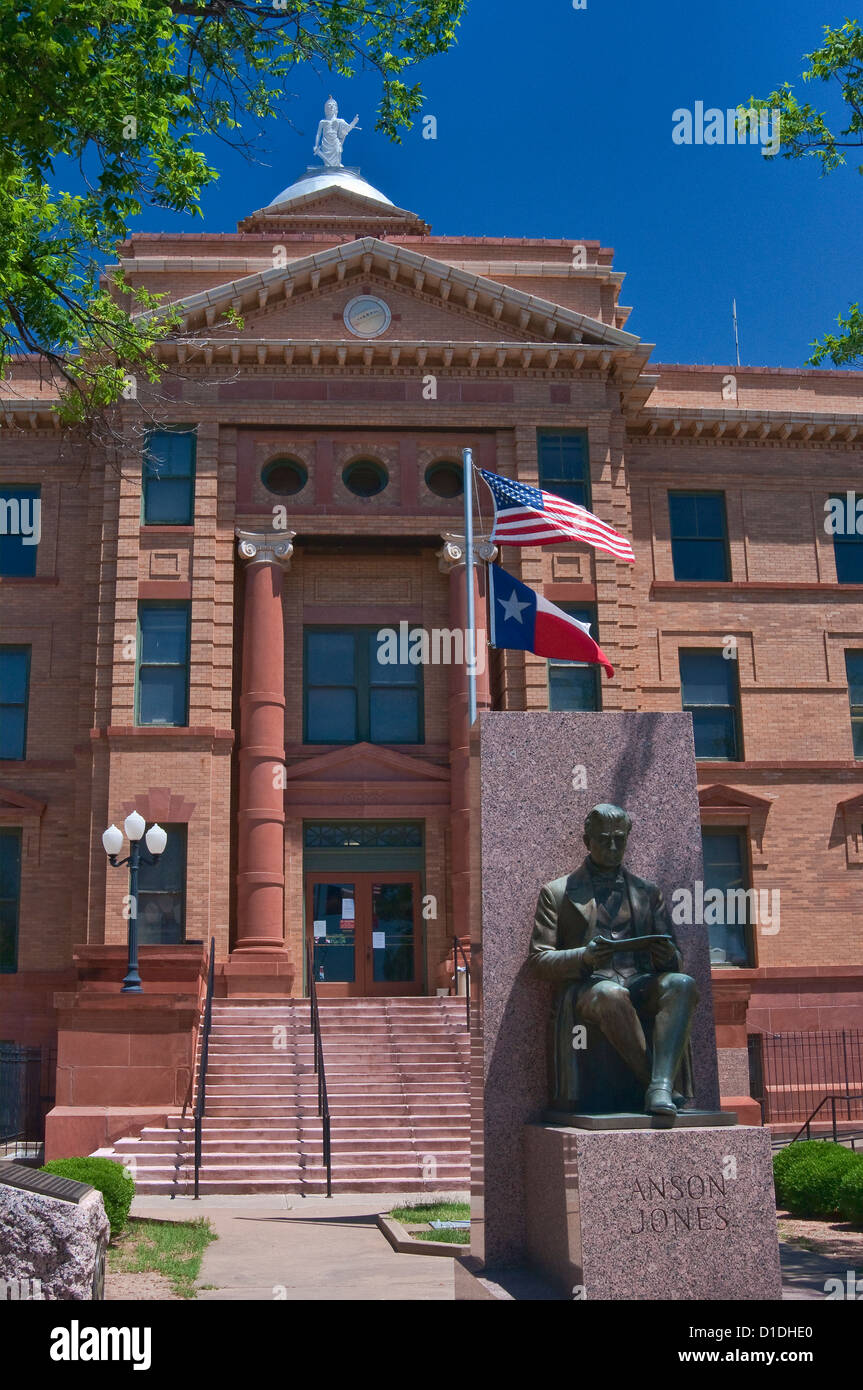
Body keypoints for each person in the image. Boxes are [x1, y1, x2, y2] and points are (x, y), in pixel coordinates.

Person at [529, 803, 698, 1116]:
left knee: (682, 984)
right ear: (587, 841)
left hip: (640, 980)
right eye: (604, 839)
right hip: (589, 987)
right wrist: (584, 955)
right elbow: (539, 960)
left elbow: (676, 958)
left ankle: (659, 1086)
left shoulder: (648, 892)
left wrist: (667, 957)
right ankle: (659, 1086)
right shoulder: (557, 893)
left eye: (619, 839)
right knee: (611, 994)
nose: (612, 846)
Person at [313, 97, 360, 168]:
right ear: (326, 108)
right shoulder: (322, 122)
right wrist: (316, 145)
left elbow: (347, 129)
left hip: (335, 143)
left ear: (336, 108)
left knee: (337, 159)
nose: (331, 106)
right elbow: (318, 134)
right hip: (325, 143)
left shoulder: (340, 121)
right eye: (329, 105)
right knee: (327, 164)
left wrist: (354, 122)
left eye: (333, 105)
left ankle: (336, 167)